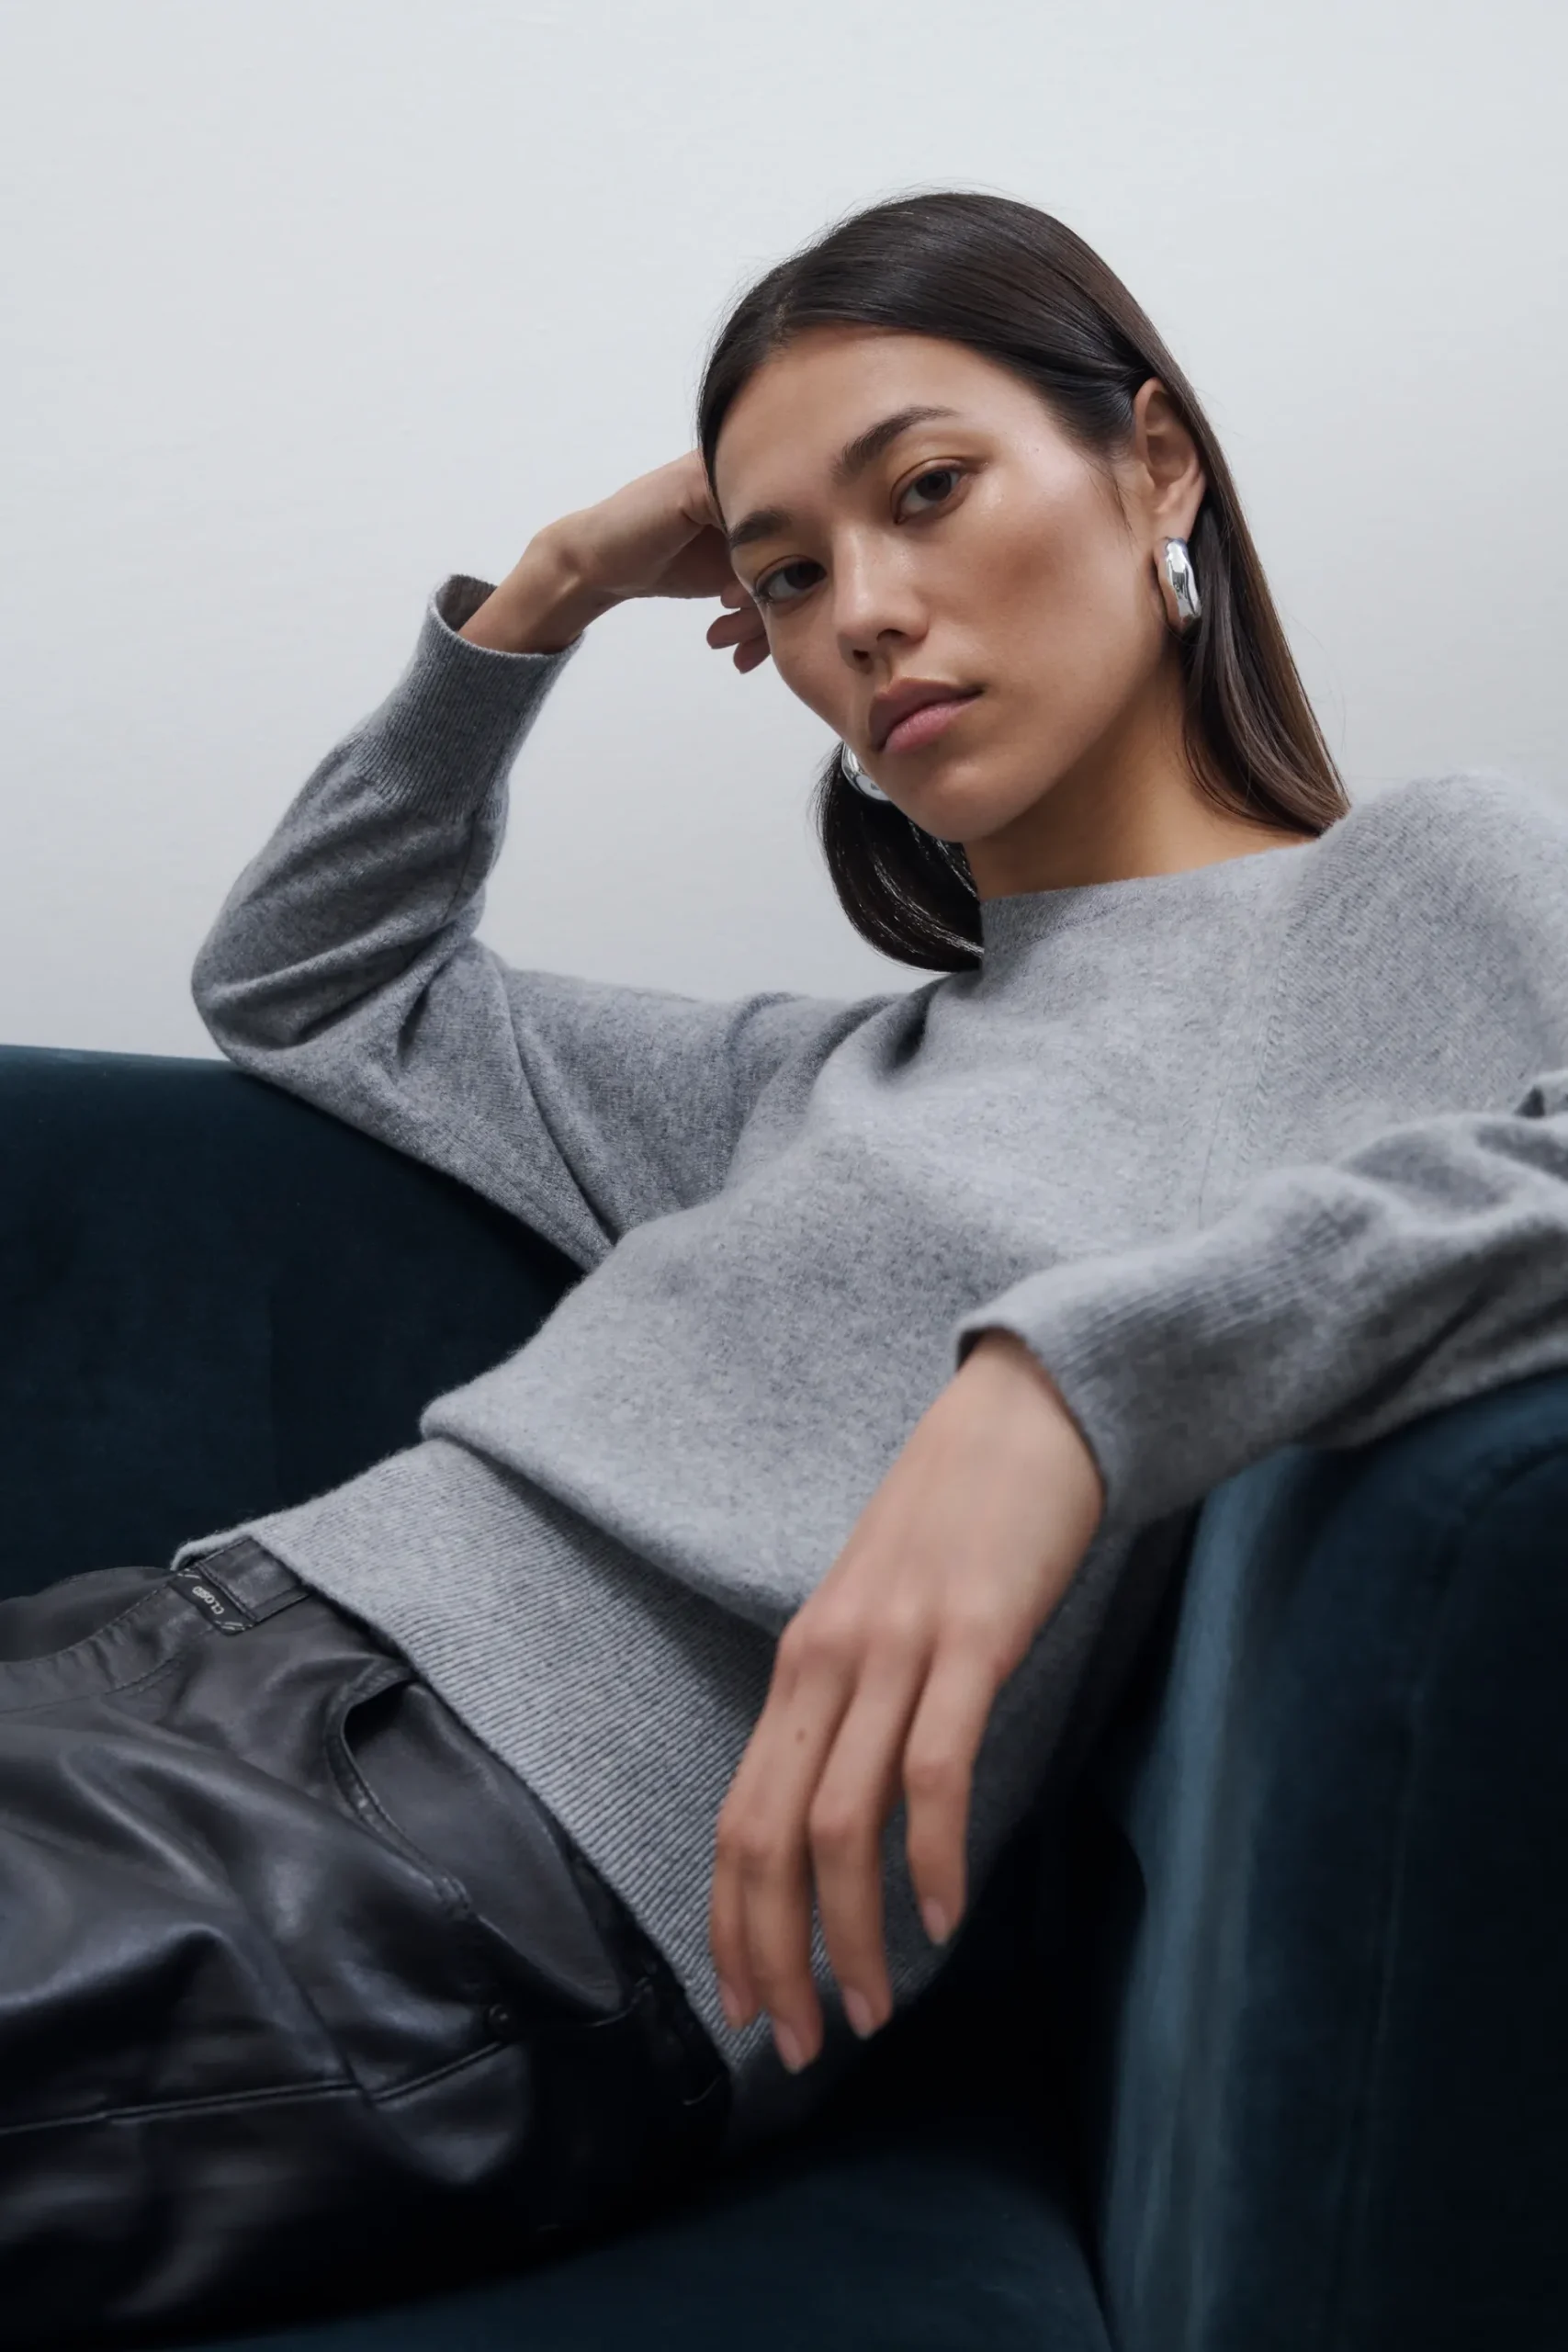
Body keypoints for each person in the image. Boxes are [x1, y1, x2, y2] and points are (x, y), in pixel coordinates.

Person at [6, 187, 1568, 2344]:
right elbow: (307, 982)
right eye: (791, 573)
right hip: (170, 1649)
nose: (868, 616)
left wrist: (1065, 1384)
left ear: (1153, 465)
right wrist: (551, 591)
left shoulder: (1400, 897)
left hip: (470, 1868)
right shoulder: (821, 1078)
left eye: (926, 492)